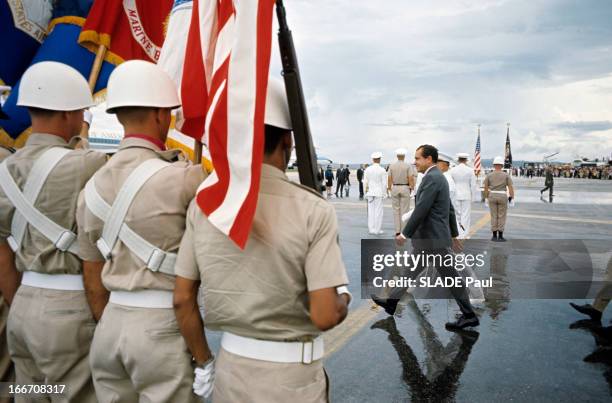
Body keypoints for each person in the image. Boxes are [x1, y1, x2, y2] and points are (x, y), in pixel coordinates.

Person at [173, 78, 351, 402]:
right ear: (288, 141)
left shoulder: (205, 205)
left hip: (230, 370)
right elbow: (325, 314)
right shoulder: (313, 209)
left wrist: (204, 362)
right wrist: (343, 300)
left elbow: (183, 298)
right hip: (291, 379)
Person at [76, 60, 206, 402]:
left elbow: (92, 281)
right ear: (162, 114)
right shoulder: (185, 177)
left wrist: (116, 325)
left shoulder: (90, 187)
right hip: (160, 326)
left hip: (109, 327)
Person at [0, 61, 106, 402]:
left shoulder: (5, 168)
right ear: (67, 115)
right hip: (68, 306)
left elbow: (2, 255)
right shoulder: (85, 163)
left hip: (22, 305)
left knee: (34, 396)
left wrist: (23, 305)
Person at [372, 145, 479, 331]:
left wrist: (405, 234)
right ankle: (391, 303)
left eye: (418, 158)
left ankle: (469, 315)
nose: (415, 162)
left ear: (429, 159)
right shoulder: (437, 177)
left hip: (433, 239)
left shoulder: (433, 178)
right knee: (410, 272)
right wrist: (454, 234)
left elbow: (422, 209)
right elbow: (450, 210)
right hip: (429, 239)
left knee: (451, 277)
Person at [484, 156, 515, 242]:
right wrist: (512, 198)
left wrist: (486, 198)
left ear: (494, 165)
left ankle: (494, 236)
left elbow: (486, 187)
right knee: (501, 216)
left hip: (492, 195)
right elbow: (510, 187)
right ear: (502, 165)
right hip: (502, 196)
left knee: (493, 215)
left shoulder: (489, 175)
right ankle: (500, 236)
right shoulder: (506, 175)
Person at [388, 148, 416, 235]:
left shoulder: (392, 166)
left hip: (395, 187)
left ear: (397, 156)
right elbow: (410, 178)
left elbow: (389, 178)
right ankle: (403, 231)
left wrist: (389, 188)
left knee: (396, 210)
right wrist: (412, 188)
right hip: (405, 187)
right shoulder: (408, 166)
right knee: (405, 210)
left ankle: (397, 231)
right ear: (404, 156)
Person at [450, 153, 477, 239]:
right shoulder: (470, 170)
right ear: (466, 160)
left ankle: (457, 233)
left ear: (458, 159)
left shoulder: (453, 170)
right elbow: (473, 185)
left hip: (456, 194)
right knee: (465, 215)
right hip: (466, 194)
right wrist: (473, 197)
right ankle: (464, 234)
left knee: (457, 214)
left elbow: (451, 183)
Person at [364, 152, 387, 235]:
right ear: (379, 159)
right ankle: (377, 229)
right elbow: (384, 183)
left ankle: (371, 229)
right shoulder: (382, 170)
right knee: (378, 211)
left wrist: (365, 192)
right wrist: (385, 193)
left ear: (373, 159)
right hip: (378, 192)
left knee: (371, 211)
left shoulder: (368, 169)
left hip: (370, 192)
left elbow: (365, 182)